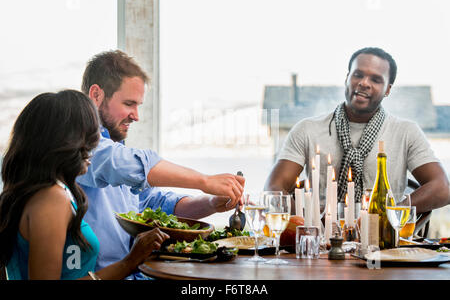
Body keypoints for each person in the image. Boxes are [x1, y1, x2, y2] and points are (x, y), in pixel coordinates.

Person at [76, 50, 245, 279]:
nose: (136, 116)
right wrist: (204, 181)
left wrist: (212, 203)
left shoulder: (115, 146)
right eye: (129, 103)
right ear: (96, 94)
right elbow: (123, 163)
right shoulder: (80, 145)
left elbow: (157, 205)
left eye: (139, 105)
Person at [0, 90, 170, 280]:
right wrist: (129, 262)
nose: (94, 147)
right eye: (88, 138)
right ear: (62, 142)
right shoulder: (51, 198)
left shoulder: (44, 192)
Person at [264, 47, 449, 214]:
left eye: (376, 79)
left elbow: (442, 188)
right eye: (358, 75)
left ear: (387, 90)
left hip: (383, 244)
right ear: (347, 78)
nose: (364, 83)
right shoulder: (307, 129)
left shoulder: (406, 132)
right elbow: (274, 187)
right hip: (320, 241)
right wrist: (307, 222)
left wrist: (391, 214)